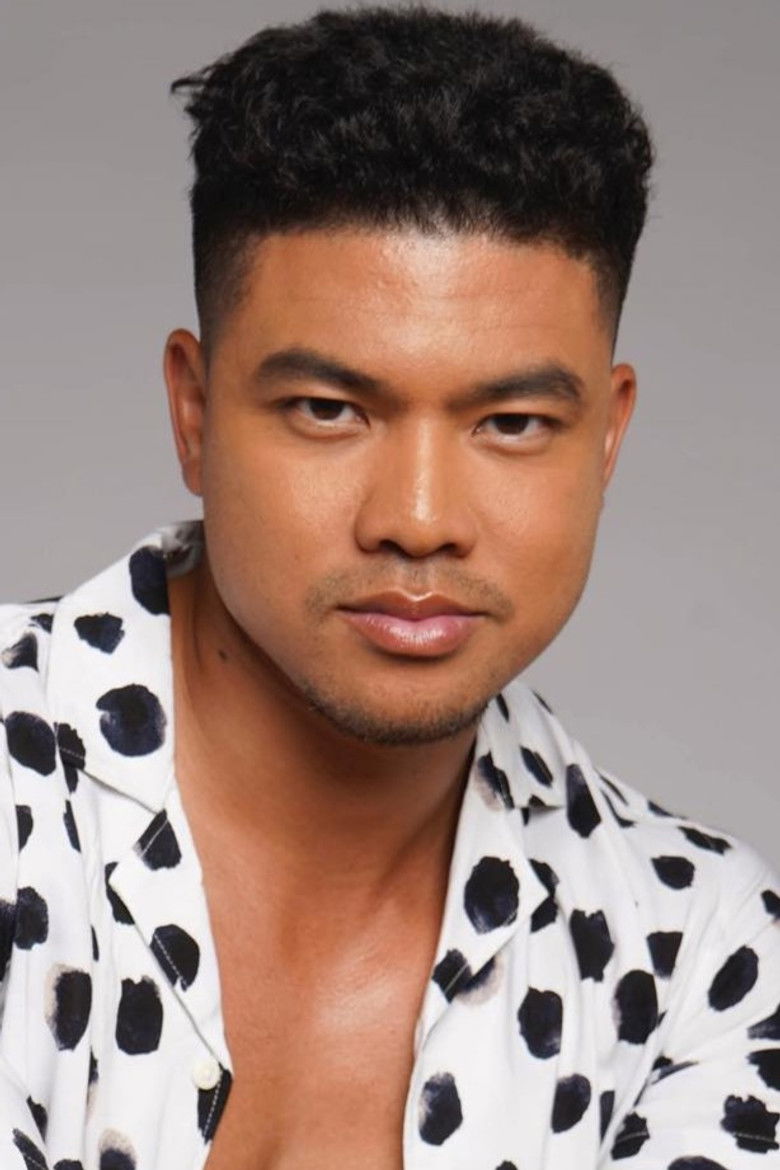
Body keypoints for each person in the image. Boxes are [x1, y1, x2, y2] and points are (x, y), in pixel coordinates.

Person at [1, 5, 778, 1168]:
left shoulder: (695, 957)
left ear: (608, 439)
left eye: (512, 423)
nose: (418, 520)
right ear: (194, 414)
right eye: (329, 410)